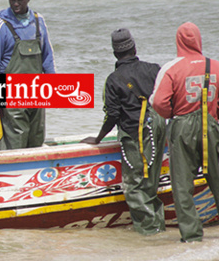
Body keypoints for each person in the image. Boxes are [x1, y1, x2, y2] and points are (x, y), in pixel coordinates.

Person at [81, 28, 166, 235]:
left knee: (135, 187)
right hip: (158, 130)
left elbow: (112, 115)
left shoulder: (113, 80)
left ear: (114, 53)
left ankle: (150, 234)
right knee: (150, 184)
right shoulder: (154, 69)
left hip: (135, 135)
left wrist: (98, 138)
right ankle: (159, 229)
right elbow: (166, 98)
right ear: (134, 47)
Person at [150, 22, 219, 242]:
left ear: (178, 41)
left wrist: (173, 114)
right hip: (212, 125)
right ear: (199, 40)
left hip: (182, 126)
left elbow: (158, 103)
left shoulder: (171, 68)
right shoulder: (215, 65)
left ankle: (191, 235)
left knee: (182, 185)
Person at [0, 0, 56, 150]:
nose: (16, 3)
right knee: (15, 139)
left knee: (37, 137)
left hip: (37, 91)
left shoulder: (38, 21)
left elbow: (48, 56)